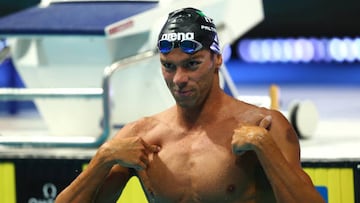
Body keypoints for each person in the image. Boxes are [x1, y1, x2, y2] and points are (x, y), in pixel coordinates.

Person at [55, 7, 325, 203]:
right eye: (168, 66)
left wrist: (266, 149)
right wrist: (104, 158)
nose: (179, 79)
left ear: (216, 59)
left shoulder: (263, 126)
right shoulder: (143, 136)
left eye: (192, 64)